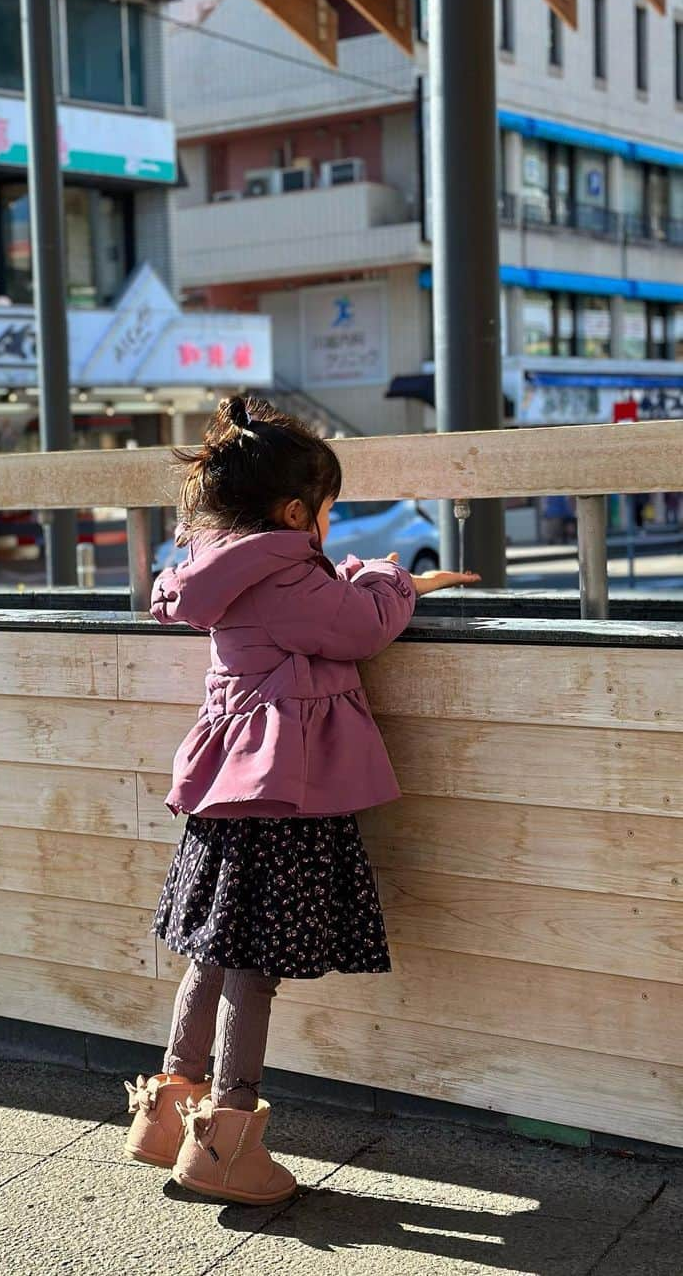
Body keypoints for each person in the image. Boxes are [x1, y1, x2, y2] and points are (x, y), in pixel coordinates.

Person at [124, 396, 479, 1206]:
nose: (328, 525)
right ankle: (227, 1144)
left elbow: (318, 608)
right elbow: (356, 629)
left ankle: (169, 1117)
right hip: (279, 790)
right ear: (294, 513)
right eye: (326, 512)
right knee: (253, 967)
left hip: (228, 788)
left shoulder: (227, 568)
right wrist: (392, 574)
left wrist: (346, 575)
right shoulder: (285, 575)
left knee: (213, 952)